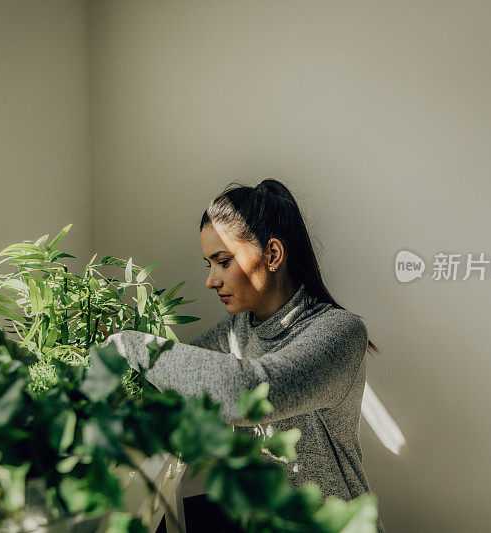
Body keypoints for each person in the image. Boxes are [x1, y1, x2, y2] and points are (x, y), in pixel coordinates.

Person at [108, 178, 384, 533]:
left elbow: (245, 393)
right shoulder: (237, 331)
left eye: (222, 261)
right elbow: (180, 380)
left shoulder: (340, 332)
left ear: (272, 255)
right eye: (209, 263)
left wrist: (128, 345)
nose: (211, 280)